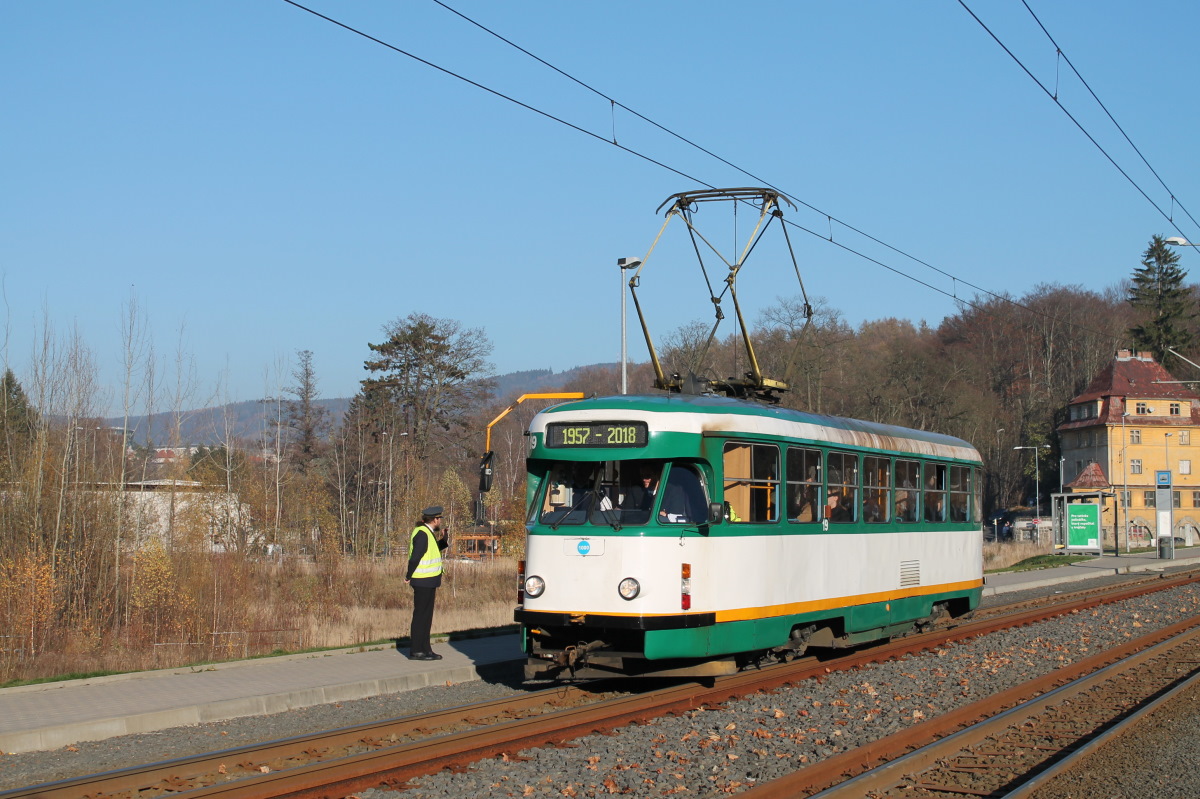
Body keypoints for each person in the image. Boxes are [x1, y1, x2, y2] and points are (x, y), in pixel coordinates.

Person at [405, 505, 450, 661]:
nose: (440, 522)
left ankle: (426, 649)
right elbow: (415, 557)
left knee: (426, 617)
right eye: (439, 519)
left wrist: (444, 540)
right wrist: (408, 575)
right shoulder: (423, 534)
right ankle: (417, 650)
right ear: (435, 519)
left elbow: (433, 550)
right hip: (422, 580)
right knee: (421, 616)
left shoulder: (428, 533)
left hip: (429, 581)